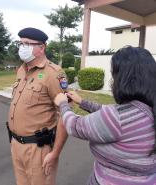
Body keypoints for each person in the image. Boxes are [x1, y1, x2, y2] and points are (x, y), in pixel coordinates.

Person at [54, 46, 156, 185]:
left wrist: (63, 104)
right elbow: (110, 115)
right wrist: (82, 102)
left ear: (125, 79)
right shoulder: (146, 109)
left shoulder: (117, 118)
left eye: (114, 75)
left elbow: (74, 126)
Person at [7, 27, 68, 185]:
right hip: (16, 144)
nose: (22, 48)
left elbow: (65, 116)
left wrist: (55, 153)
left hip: (38, 149)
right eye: (20, 44)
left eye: (26, 44)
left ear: (42, 47)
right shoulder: (22, 70)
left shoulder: (53, 73)